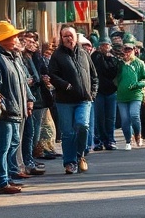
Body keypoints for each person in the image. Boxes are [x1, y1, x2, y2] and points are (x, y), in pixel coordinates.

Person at [0, 20, 31, 195]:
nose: (17, 39)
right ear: (4, 40)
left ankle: (7, 176)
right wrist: (3, 106)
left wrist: (28, 99)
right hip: (6, 112)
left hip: (15, 109)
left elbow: (22, 82)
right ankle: (1, 181)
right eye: (14, 37)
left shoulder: (12, 57)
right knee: (2, 147)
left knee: (12, 144)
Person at [47, 26, 98, 175]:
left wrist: (92, 93)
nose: (68, 38)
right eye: (65, 36)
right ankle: (70, 162)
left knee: (82, 125)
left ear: (76, 37)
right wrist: (65, 85)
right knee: (68, 133)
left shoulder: (84, 53)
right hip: (65, 101)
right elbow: (52, 75)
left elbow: (94, 76)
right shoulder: (57, 55)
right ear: (61, 39)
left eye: (71, 35)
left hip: (84, 99)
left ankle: (80, 155)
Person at [19, 32, 48, 175]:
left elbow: (40, 70)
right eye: (28, 41)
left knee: (32, 132)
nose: (32, 44)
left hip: (34, 97)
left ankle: (29, 158)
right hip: (26, 99)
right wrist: (29, 81)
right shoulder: (20, 58)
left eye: (33, 41)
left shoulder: (30, 57)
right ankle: (26, 161)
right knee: (28, 133)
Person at [115, 37, 145, 150]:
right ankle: (128, 140)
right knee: (125, 119)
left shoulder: (139, 63)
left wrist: (137, 85)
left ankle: (138, 135)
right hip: (122, 95)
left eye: (129, 50)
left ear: (134, 50)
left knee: (134, 115)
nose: (127, 52)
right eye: (126, 50)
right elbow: (114, 77)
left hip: (135, 94)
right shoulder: (119, 64)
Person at [91, 38, 119, 151]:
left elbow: (113, 72)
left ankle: (110, 140)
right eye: (103, 45)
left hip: (111, 92)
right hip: (99, 92)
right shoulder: (95, 57)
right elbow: (98, 69)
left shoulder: (113, 58)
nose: (105, 47)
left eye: (107, 45)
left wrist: (110, 58)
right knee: (99, 117)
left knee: (110, 118)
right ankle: (98, 141)